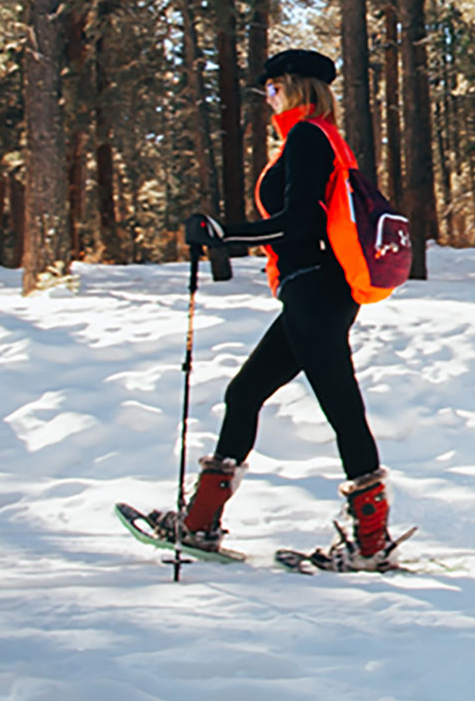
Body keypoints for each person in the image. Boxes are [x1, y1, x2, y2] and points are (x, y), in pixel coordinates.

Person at [134, 48, 403, 570]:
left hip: (318, 290)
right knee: (247, 392)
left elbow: (296, 224)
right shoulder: (317, 140)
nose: (267, 97)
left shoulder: (308, 137)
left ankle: (371, 544)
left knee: (340, 406)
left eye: (273, 88)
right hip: (315, 291)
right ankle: (199, 523)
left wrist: (223, 233)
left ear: (296, 87)